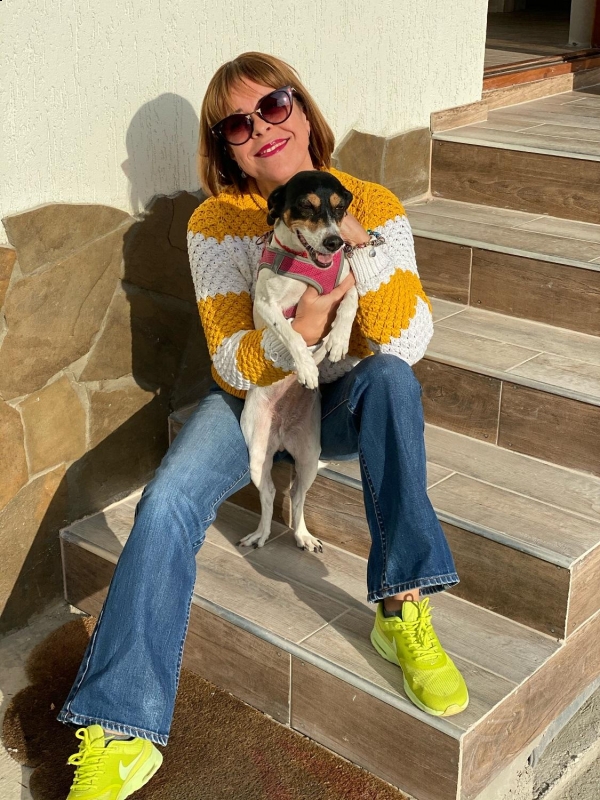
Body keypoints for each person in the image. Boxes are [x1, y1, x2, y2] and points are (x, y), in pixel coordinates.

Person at [58, 52, 468, 800]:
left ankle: (402, 608)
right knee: (169, 498)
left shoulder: (371, 202)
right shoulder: (218, 223)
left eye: (273, 106)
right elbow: (229, 361)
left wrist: (352, 237)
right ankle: (120, 726)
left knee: (391, 379)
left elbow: (406, 336)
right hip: (252, 395)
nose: (261, 130)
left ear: (303, 110)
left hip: (341, 396)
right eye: (237, 125)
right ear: (225, 148)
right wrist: (306, 320)